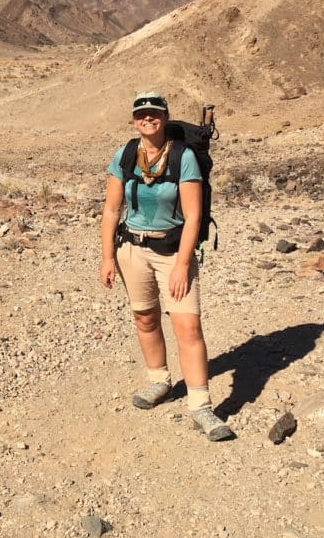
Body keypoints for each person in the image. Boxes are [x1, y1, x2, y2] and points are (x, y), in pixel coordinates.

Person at [99, 90, 232, 441]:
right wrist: (107, 256)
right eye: (141, 113)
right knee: (144, 317)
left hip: (174, 251)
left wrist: (182, 264)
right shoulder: (126, 155)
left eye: (155, 112)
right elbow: (112, 209)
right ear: (134, 119)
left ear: (165, 116)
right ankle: (159, 381)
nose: (148, 118)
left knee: (187, 326)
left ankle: (201, 405)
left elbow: (192, 216)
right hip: (132, 249)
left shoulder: (183, 157)